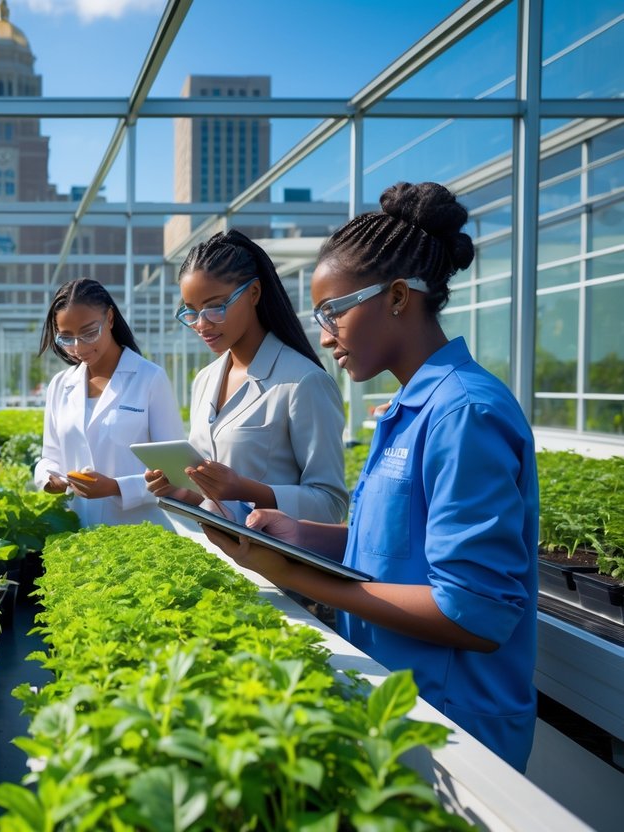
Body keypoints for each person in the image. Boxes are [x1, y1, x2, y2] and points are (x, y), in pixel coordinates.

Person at [204, 182, 538, 772]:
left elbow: (476, 613)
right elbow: (399, 548)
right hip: (400, 708)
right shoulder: (409, 409)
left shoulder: (464, 413)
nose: (325, 335)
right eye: (319, 316)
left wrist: (302, 579)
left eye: (334, 312)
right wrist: (301, 537)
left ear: (400, 297)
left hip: (457, 731)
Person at [145, 229, 348, 524]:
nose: (201, 324)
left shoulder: (303, 382)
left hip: (273, 564)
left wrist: (244, 489)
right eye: (191, 312)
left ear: (254, 293)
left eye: (215, 307)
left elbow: (331, 504)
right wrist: (179, 490)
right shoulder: (205, 379)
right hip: (214, 557)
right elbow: (208, 498)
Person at [32, 278, 185, 529]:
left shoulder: (149, 378)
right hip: (78, 532)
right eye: (66, 338)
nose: (79, 347)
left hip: (140, 531)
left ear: (110, 318)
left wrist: (115, 487)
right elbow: (50, 457)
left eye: (89, 332)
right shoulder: (61, 385)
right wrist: (49, 478)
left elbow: (174, 472)